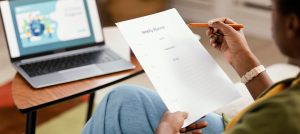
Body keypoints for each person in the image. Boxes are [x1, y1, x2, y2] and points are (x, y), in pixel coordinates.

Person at [81, 0, 300, 133]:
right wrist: (242, 58)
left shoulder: (277, 116)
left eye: (272, 7)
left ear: (292, 24)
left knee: (118, 102)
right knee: (124, 98)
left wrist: (165, 131)